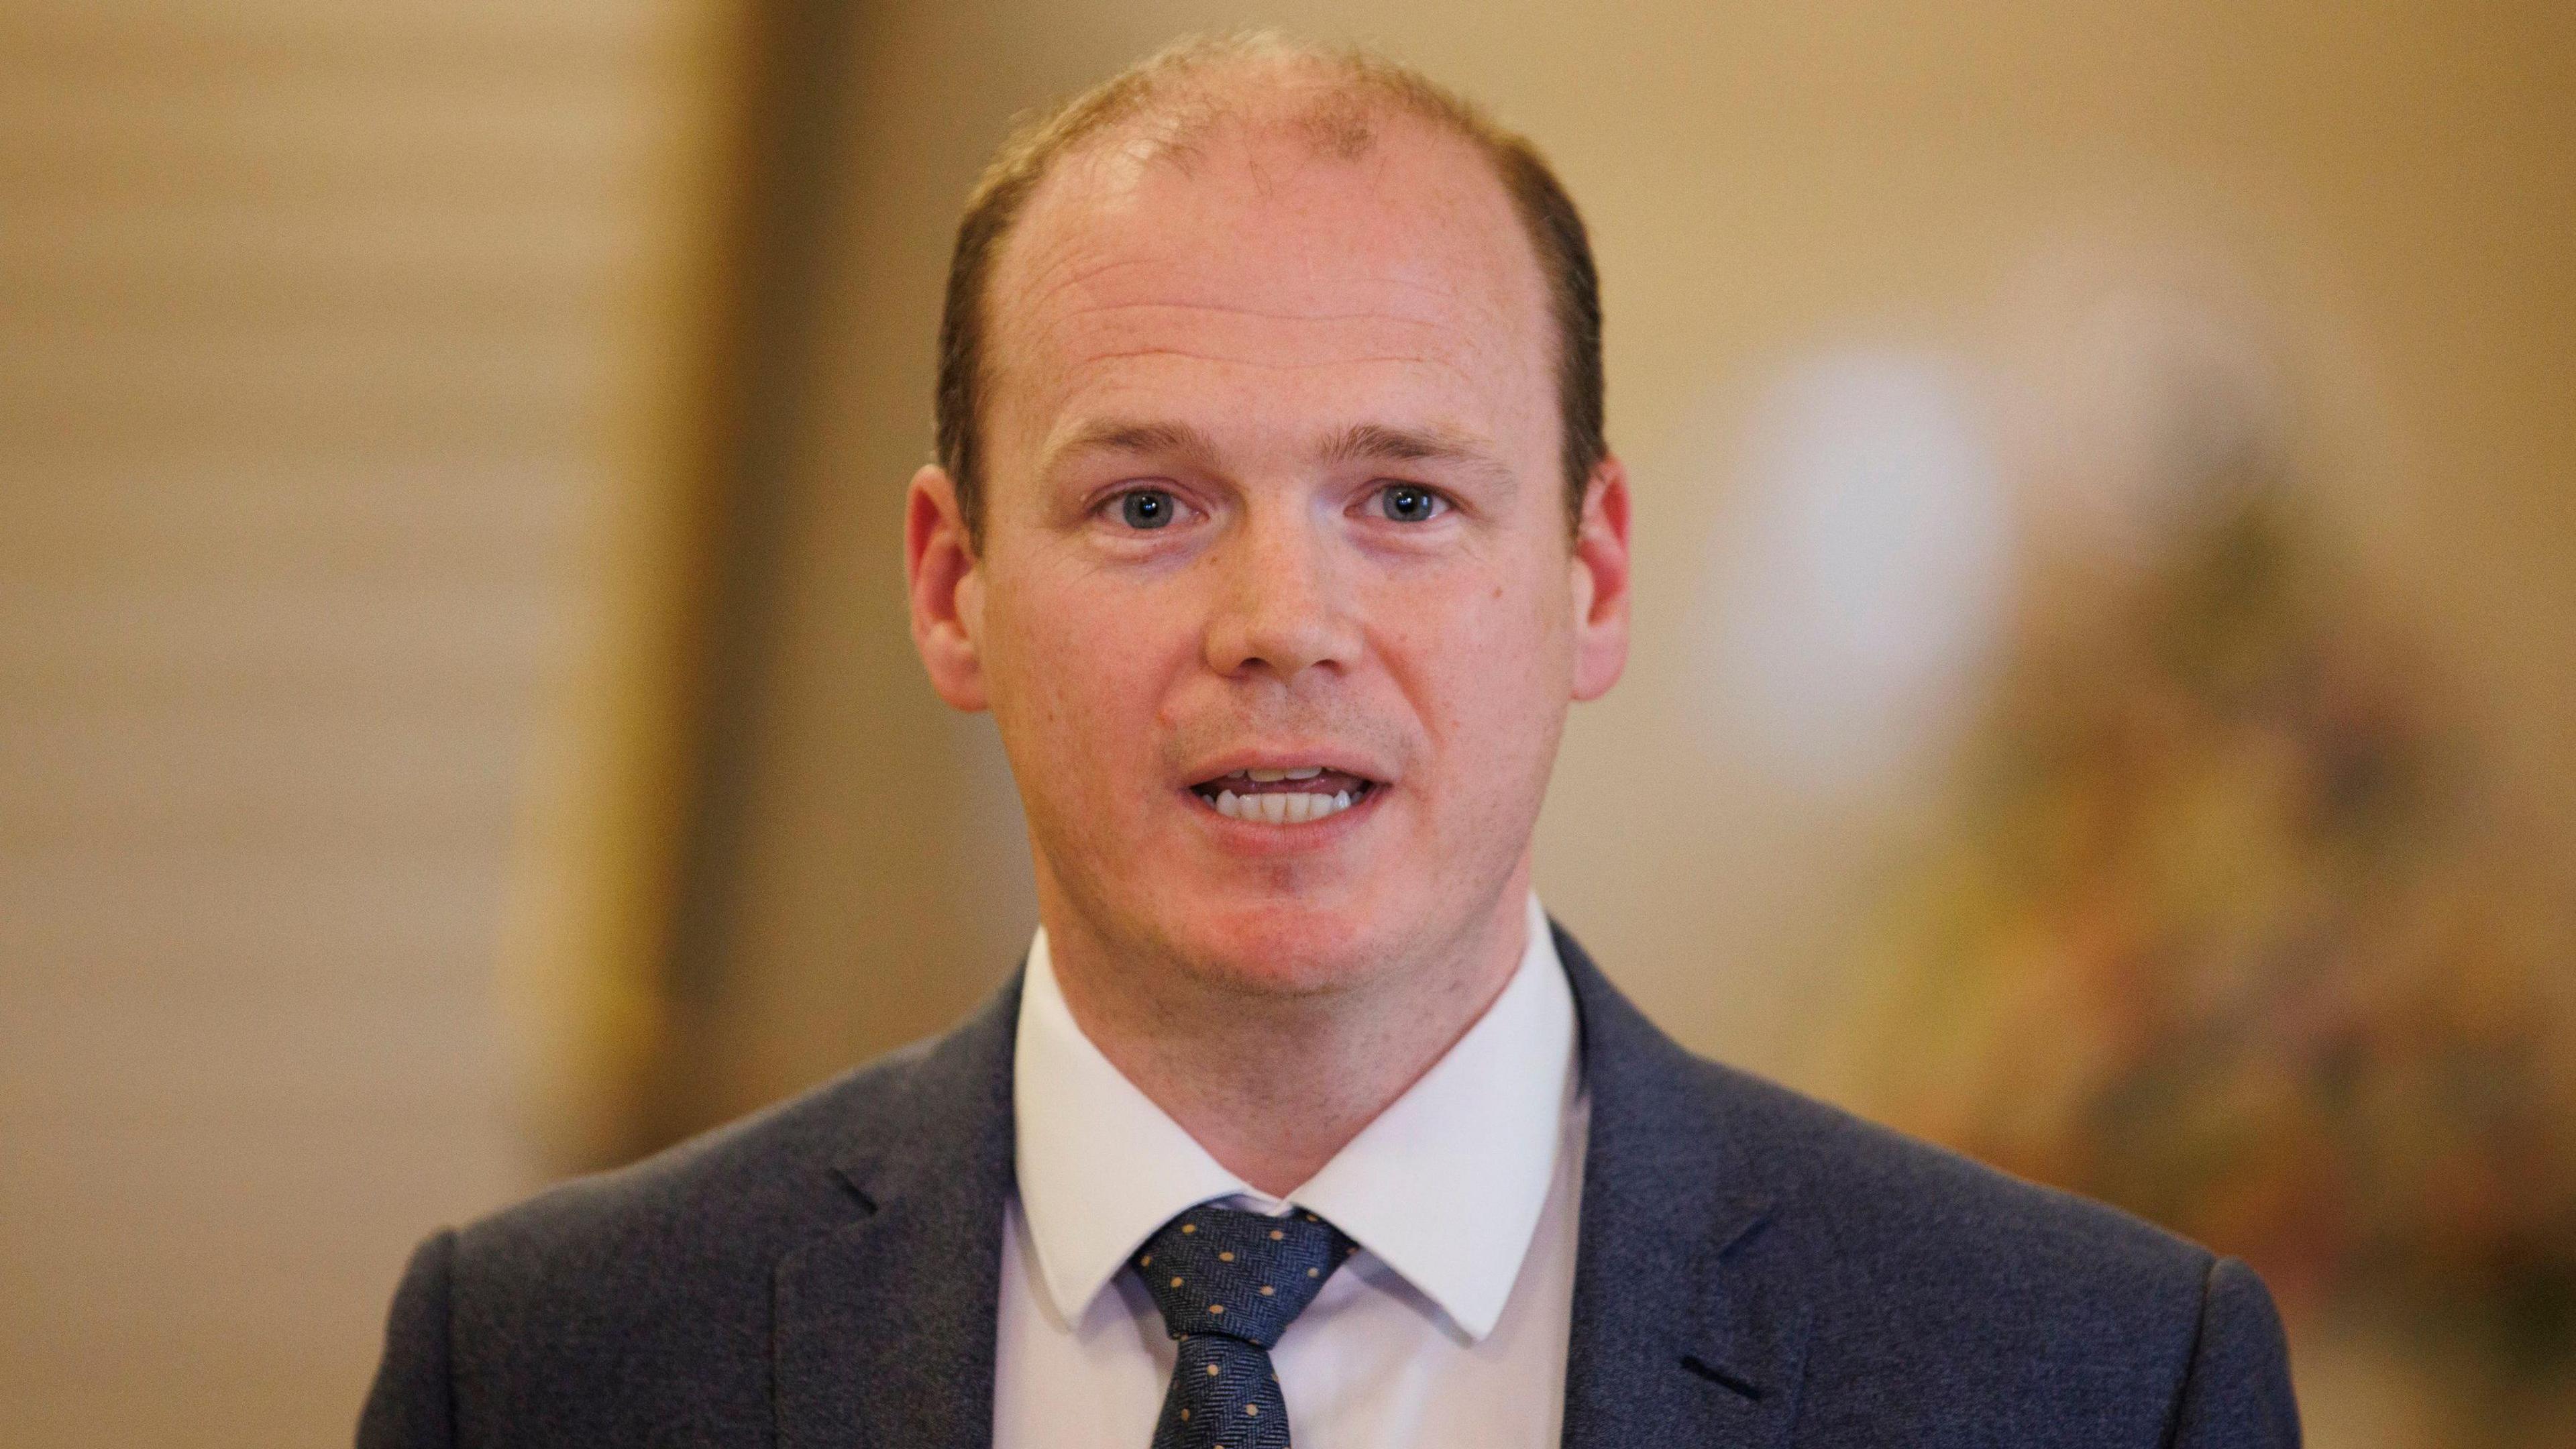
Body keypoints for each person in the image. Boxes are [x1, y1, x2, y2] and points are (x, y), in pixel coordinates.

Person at [359, 32, 2299, 1449]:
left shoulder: (2095, 1383)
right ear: (951, 588)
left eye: (1405, 501)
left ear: (1591, 573)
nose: (1283, 623)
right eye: (1145, 505)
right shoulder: (544, 1369)